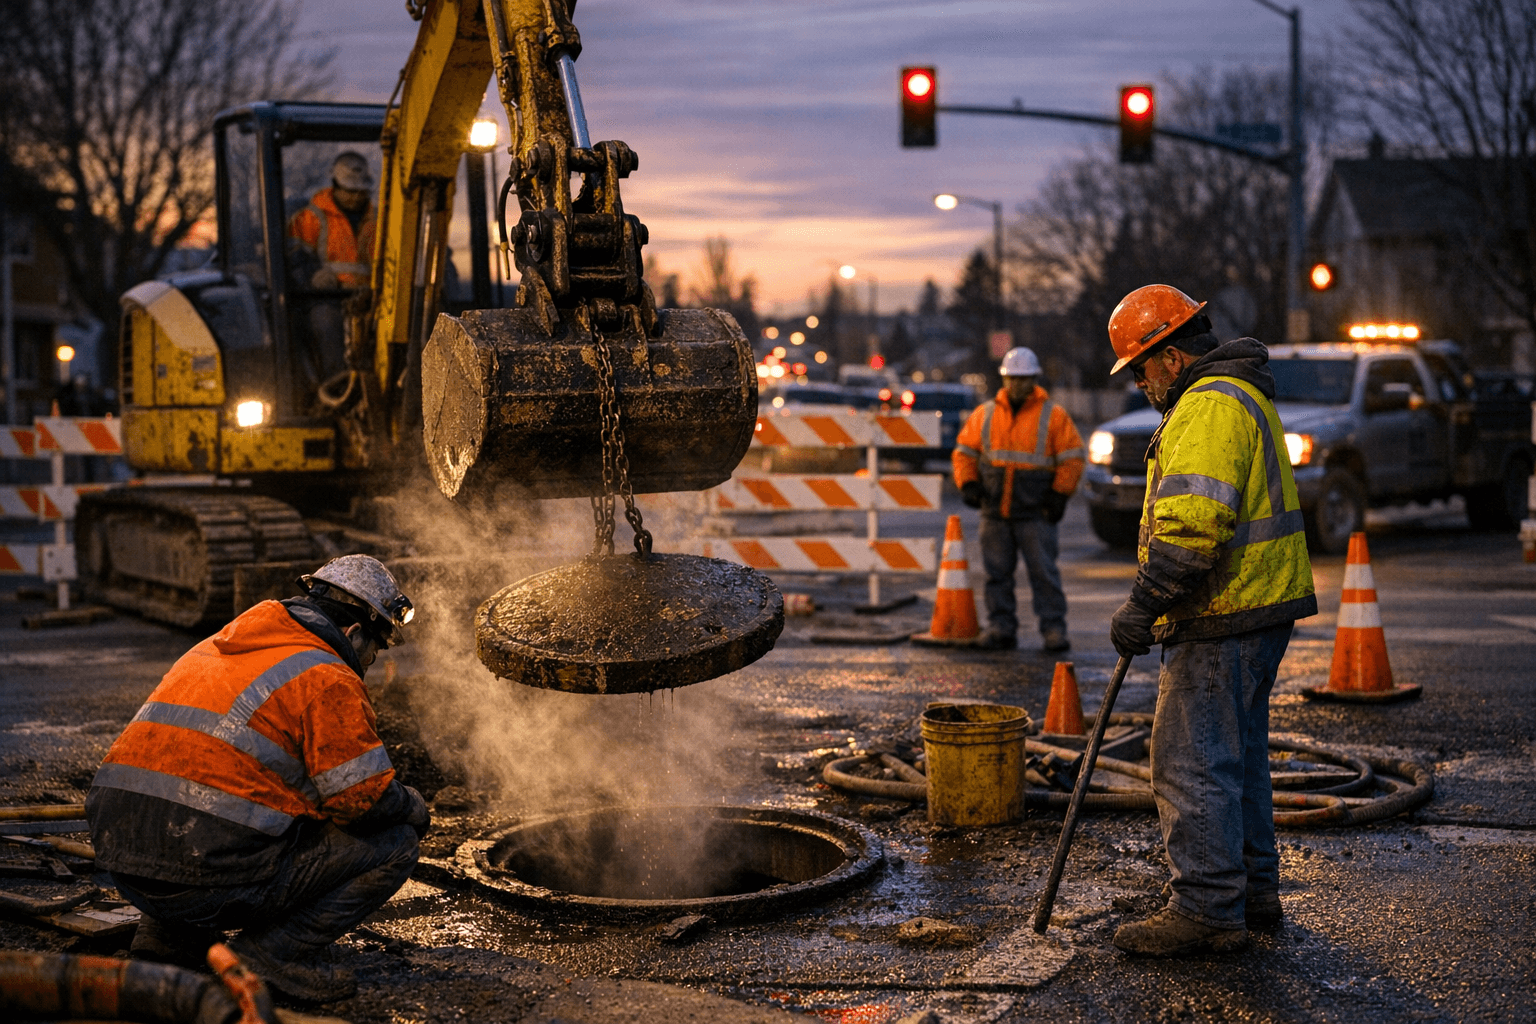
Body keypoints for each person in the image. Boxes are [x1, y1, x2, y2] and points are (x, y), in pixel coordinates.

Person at [86, 555, 427, 1002]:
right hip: (201, 883)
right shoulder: (327, 677)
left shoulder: (219, 646)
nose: (371, 663)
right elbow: (362, 802)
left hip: (125, 866)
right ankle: (272, 956)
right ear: (353, 633)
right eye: (375, 650)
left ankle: (167, 937)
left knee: (210, 807)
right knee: (397, 841)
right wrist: (412, 804)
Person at [1103, 285, 1316, 957]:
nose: (1139, 384)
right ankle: (1250, 893)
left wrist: (1143, 605)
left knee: (1190, 763)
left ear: (1171, 357)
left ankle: (1206, 906)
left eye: (1140, 369)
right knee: (1236, 760)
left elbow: (1193, 527)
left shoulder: (1207, 405)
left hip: (1224, 609)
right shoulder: (1240, 394)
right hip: (1255, 607)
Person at [953, 346, 1084, 652]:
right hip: (995, 511)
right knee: (996, 576)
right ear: (1004, 379)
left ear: (1034, 379)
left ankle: (1054, 630)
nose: (1016, 384)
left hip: (1036, 512)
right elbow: (964, 453)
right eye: (1012, 378)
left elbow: (1072, 458)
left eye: (1023, 378)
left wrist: (1059, 494)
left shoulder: (1053, 416)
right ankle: (1001, 628)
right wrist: (968, 483)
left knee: (1044, 575)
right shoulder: (985, 414)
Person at [286, 152, 376, 390]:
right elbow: (293, 257)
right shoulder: (310, 218)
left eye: (361, 191)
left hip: (372, 298)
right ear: (335, 186)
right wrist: (313, 275)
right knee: (326, 324)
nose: (356, 196)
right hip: (328, 298)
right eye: (350, 190)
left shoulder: (380, 219)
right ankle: (337, 388)